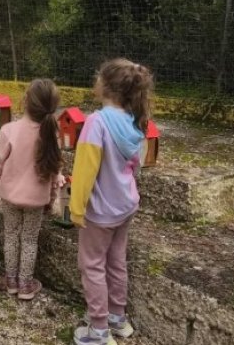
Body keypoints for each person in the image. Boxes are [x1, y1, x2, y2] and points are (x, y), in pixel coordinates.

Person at [71, 59, 153, 345]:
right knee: (117, 261)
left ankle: (98, 329)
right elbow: (136, 165)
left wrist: (76, 208)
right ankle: (118, 318)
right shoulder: (136, 120)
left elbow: (84, 172)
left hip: (101, 211)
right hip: (126, 205)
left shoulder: (97, 122)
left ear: (103, 85)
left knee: (91, 265)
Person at [0, 79, 65, 301]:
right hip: (36, 200)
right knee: (30, 240)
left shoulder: (8, 130)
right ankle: (25, 284)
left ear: (24, 102)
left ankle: (10, 280)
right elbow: (53, 170)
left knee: (11, 236)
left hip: (9, 196)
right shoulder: (51, 134)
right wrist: (50, 198)